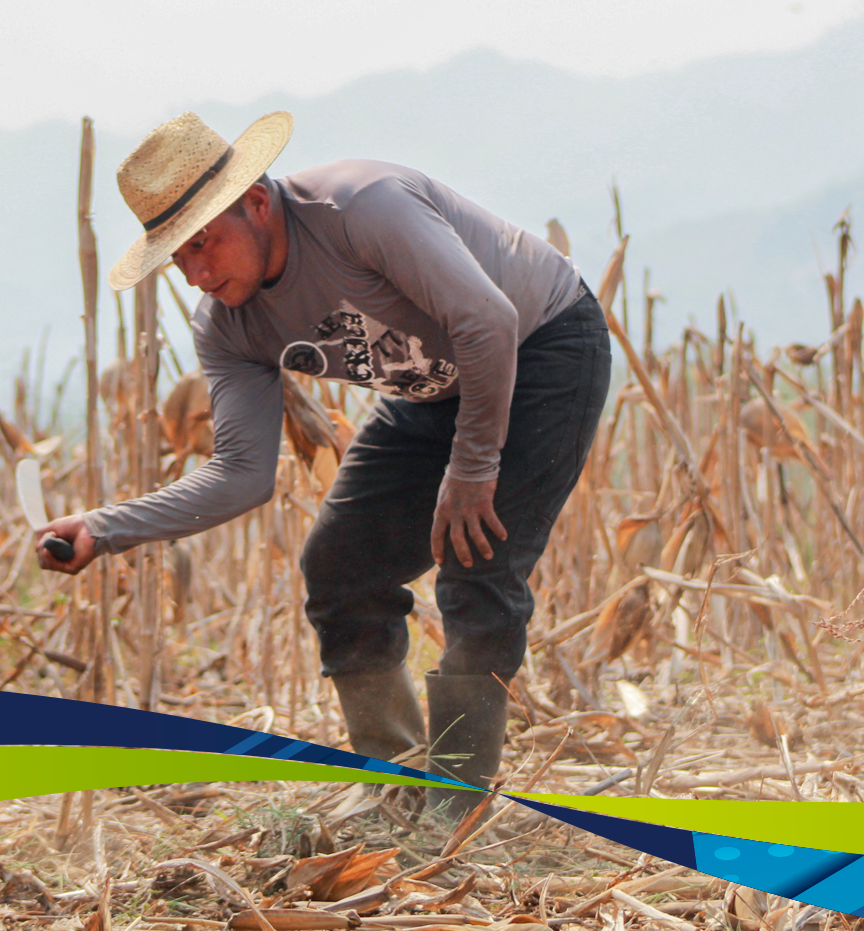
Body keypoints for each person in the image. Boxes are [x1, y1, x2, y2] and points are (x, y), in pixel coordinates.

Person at [36, 111, 611, 819]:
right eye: (177, 258)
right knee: (339, 568)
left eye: (204, 245)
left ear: (254, 203)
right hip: (427, 389)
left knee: (477, 564)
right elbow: (242, 473)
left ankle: (455, 809)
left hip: (539, 346)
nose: (196, 275)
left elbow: (486, 323)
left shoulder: (362, 209)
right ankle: (398, 784)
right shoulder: (226, 326)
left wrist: (471, 470)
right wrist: (105, 527)